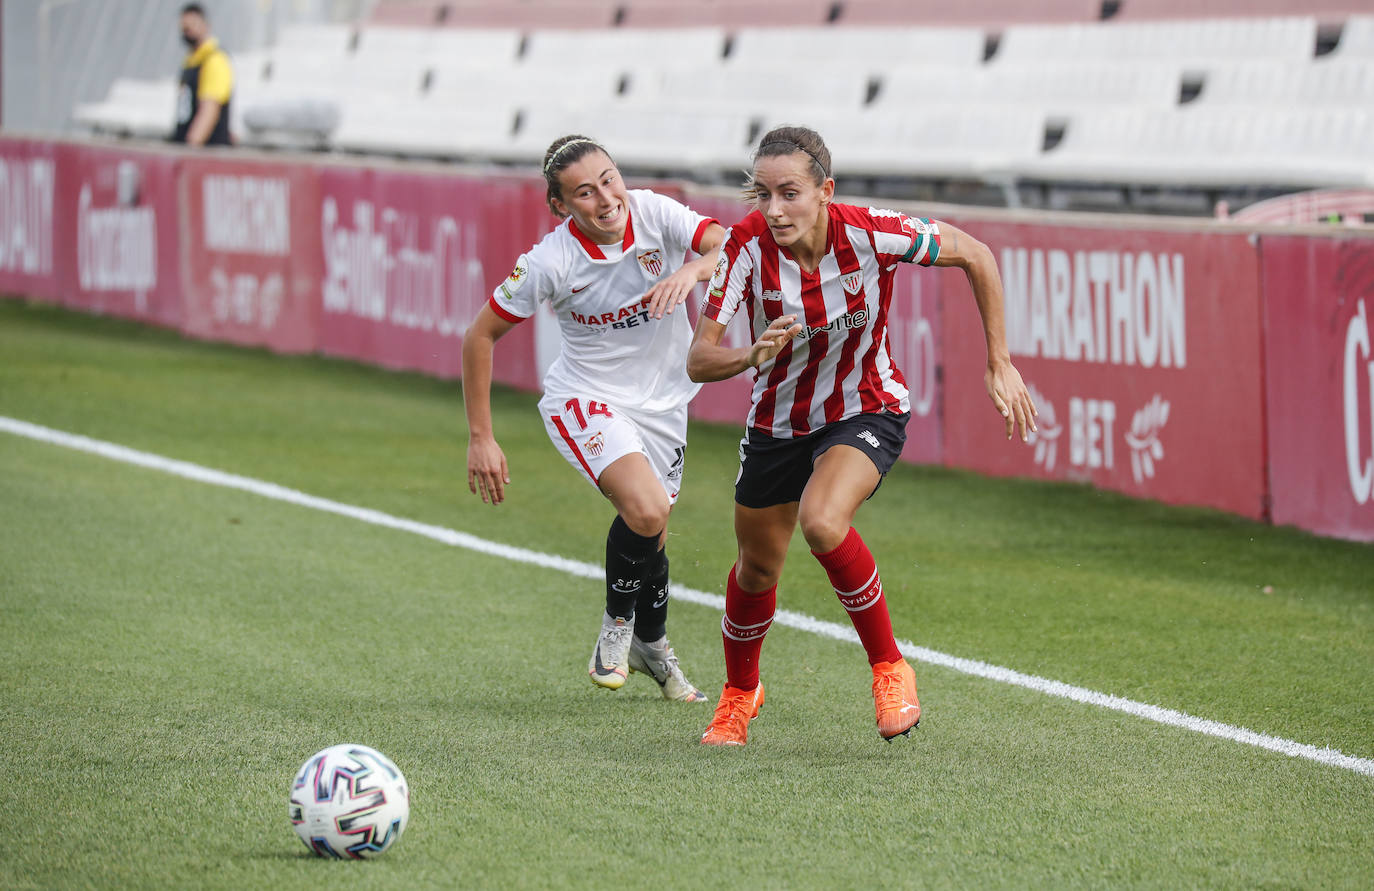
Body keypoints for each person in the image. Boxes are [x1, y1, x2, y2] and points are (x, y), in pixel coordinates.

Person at [687, 126, 1037, 745]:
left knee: (823, 521)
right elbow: (698, 360)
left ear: (825, 190)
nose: (774, 209)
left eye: (789, 193)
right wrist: (750, 355)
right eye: (762, 194)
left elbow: (976, 254)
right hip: (777, 423)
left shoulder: (871, 230)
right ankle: (740, 694)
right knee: (756, 570)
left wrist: (998, 359)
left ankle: (889, 666)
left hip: (865, 407)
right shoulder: (744, 248)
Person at [464, 135, 725, 703]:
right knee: (647, 509)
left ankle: (652, 646)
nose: (606, 198)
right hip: (586, 397)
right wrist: (481, 437)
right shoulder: (549, 261)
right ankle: (616, 627)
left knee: (650, 529)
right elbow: (480, 334)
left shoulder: (654, 211)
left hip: (664, 403)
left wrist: (694, 271)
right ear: (561, 207)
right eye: (585, 192)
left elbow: (732, 246)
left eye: (609, 179)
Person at [173, 3, 234, 146]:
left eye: (192, 25)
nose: (188, 31)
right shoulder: (192, 60)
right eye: (184, 27)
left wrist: (191, 147)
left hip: (207, 151)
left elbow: (209, 110)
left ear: (206, 25)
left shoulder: (214, 60)